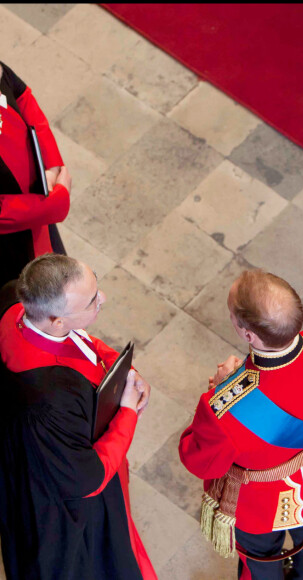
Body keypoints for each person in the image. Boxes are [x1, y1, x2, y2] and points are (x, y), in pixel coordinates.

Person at [179, 269, 303, 579]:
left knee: (261, 560)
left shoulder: (224, 410)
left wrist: (224, 389)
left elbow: (197, 459)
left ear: (248, 335)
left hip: (262, 503)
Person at [0, 254, 157, 579]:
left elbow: (83, 343)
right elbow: (89, 479)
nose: (103, 299)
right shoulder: (52, 400)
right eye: (91, 301)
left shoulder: (13, 300)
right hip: (62, 490)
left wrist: (116, 362)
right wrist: (127, 410)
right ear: (57, 321)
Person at [0, 61, 71, 288]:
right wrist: (49, 205)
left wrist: (51, 168)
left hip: (38, 212)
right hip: (9, 245)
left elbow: (22, 95)